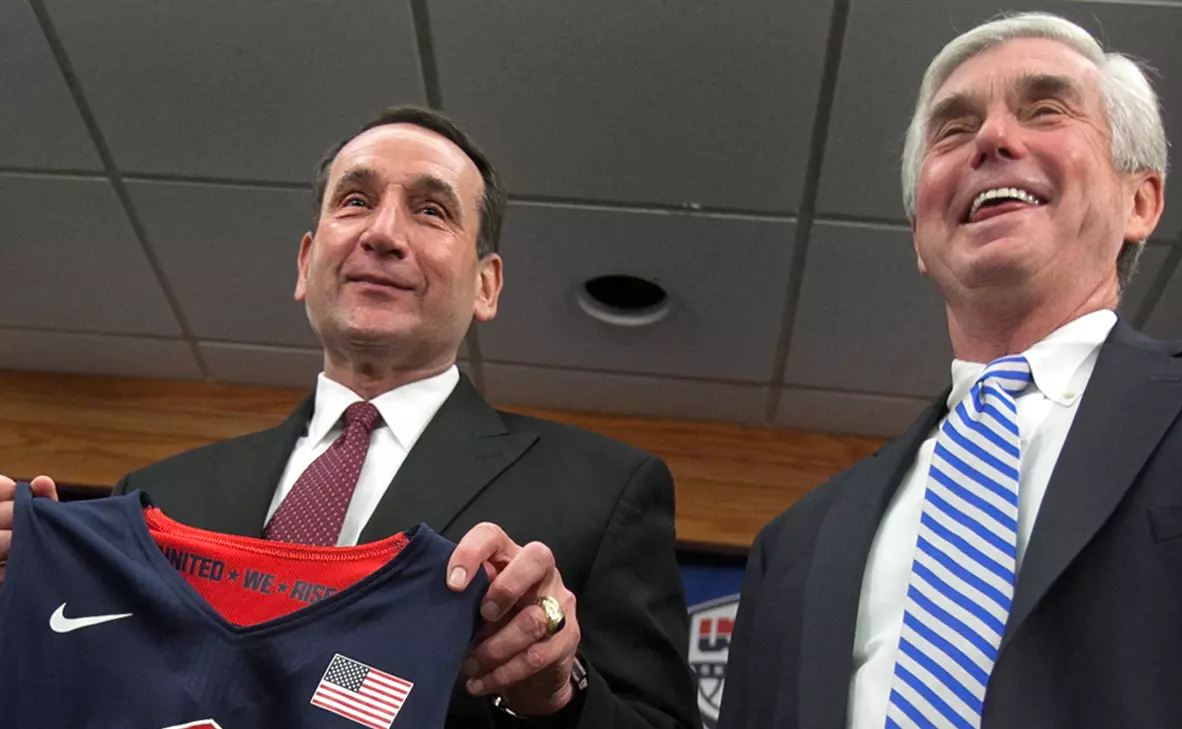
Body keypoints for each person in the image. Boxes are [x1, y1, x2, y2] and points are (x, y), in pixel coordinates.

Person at [0, 106, 699, 729]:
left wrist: (554, 692)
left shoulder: (602, 490)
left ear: (486, 285)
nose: (384, 233)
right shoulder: (156, 496)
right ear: (308, 263)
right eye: (356, 200)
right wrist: (20, 590)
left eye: (431, 211)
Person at [719, 12, 1182, 729]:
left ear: (1140, 201)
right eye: (953, 130)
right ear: (922, 239)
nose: (992, 139)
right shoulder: (795, 546)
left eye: (1046, 109)